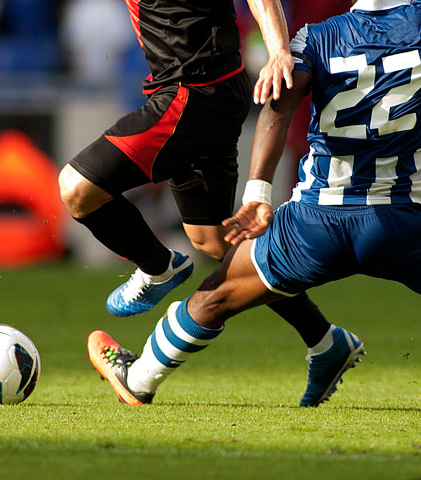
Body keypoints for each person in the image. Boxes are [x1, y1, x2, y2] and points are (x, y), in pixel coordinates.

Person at [87, 0, 421, 417]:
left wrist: (258, 192)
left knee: (214, 297)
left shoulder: (316, 37)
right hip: (405, 224)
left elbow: (277, 104)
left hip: (317, 224)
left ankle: (141, 378)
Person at [59, 0, 348, 400]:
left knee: (77, 188)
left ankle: (158, 267)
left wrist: (278, 49)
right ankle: (325, 340)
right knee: (215, 242)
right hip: (207, 90)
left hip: (192, 94)